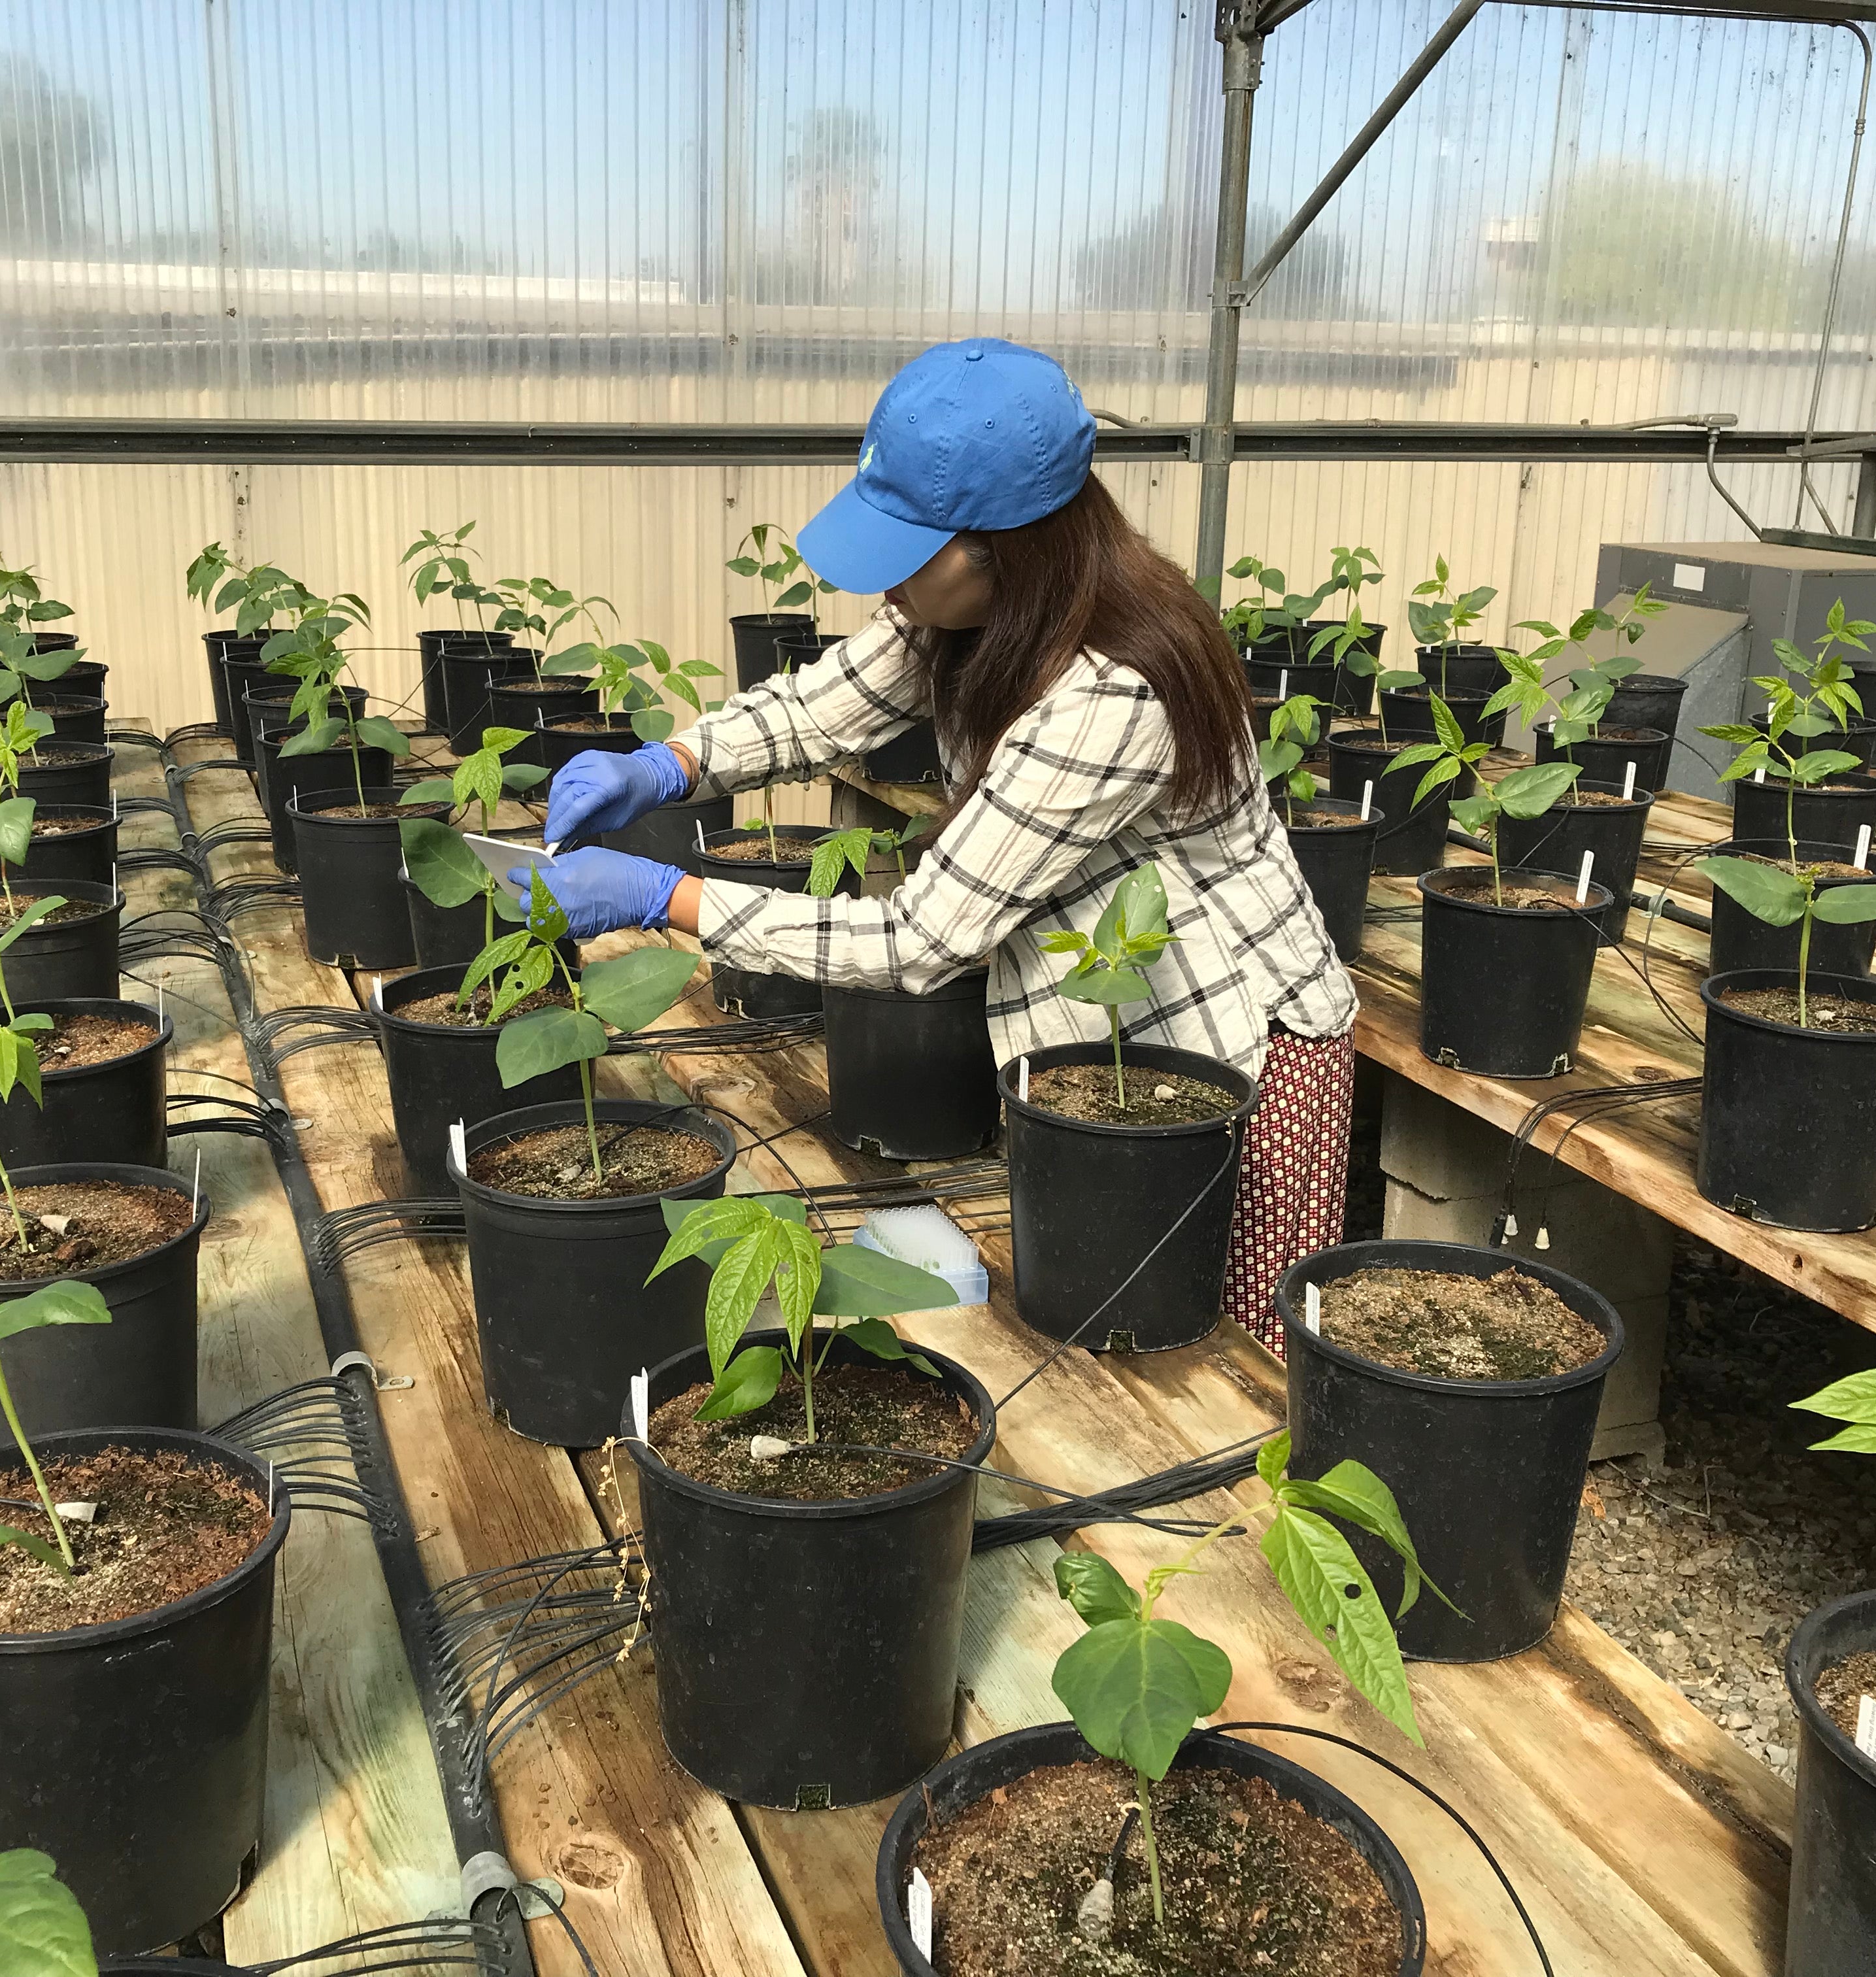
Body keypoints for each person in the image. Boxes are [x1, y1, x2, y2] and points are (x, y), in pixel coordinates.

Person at [522, 337, 1358, 1343]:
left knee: (1215, 1358)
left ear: (1004, 547)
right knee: (1096, 1338)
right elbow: (818, 709)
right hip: (1101, 1045)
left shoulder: (1115, 693)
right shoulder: (965, 611)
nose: (887, 586)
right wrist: (672, 763)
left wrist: (668, 898)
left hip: (1230, 1058)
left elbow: (923, 941)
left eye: (909, 552)